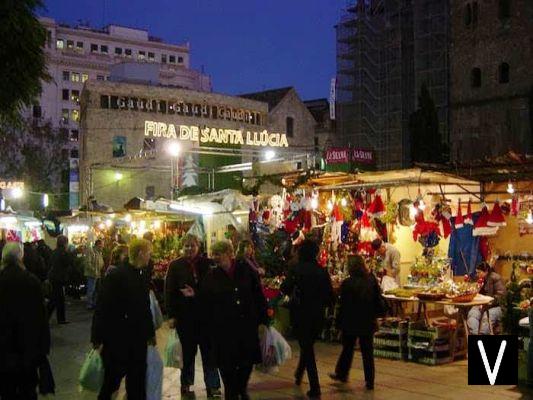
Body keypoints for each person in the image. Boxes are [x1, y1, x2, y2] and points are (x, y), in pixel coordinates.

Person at [200, 241, 268, 400]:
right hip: (224, 330)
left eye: (219, 253)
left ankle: (241, 388)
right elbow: (205, 303)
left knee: (247, 363)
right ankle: (232, 392)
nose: (216, 257)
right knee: (227, 367)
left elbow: (258, 295)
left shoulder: (246, 271)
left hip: (246, 326)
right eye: (214, 254)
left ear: (230, 253)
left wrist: (263, 320)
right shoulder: (211, 277)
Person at [91, 238, 155, 400]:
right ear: (140, 253)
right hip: (118, 340)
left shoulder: (142, 275)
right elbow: (102, 308)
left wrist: (149, 333)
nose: (150, 257)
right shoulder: (117, 275)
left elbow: (144, 307)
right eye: (148, 253)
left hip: (137, 340)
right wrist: (97, 337)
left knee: (137, 382)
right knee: (112, 382)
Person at [165, 234, 221, 398]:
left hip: (206, 317)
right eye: (186, 246)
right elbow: (169, 291)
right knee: (188, 353)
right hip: (185, 317)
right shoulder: (175, 265)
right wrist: (171, 315)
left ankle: (213, 385)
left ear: (199, 246)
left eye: (192, 246)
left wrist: (196, 293)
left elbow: (213, 289)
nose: (189, 249)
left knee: (208, 353)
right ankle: (186, 383)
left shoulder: (208, 264)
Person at [280, 239, 334, 399]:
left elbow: (285, 288)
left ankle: (315, 387)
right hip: (317, 315)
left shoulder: (296, 269)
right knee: (308, 345)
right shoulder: (322, 271)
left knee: (307, 348)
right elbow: (329, 296)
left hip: (300, 313)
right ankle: (298, 374)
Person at [0, 242, 50, 399]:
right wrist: (43, 346)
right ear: (20, 256)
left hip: (4, 347)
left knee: (6, 389)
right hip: (27, 346)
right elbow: (41, 316)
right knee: (27, 389)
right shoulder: (30, 280)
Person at [329, 255, 385, 390]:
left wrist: (338, 323)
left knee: (347, 348)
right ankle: (369, 381)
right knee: (367, 352)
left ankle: (342, 373)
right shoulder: (371, 280)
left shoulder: (347, 284)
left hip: (351, 321)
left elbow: (343, 306)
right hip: (367, 320)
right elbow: (378, 300)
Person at [467, 262, 506, 334]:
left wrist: (488, 303)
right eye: (477, 272)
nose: (477, 275)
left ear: (486, 271)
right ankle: (474, 334)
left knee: (487, 317)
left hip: (496, 306)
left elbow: (501, 296)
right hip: (482, 304)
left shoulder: (495, 278)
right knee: (472, 313)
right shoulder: (479, 279)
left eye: (479, 272)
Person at [47, 235, 73, 324]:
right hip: (58, 278)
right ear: (65, 243)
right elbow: (68, 262)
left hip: (54, 277)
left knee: (57, 299)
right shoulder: (63, 252)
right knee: (56, 299)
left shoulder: (54, 252)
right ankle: (57, 318)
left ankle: (60, 318)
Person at [84, 239, 104, 309]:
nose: (103, 246)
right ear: (98, 245)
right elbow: (88, 263)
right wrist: (94, 270)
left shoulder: (99, 252)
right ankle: (89, 304)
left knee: (96, 290)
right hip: (91, 274)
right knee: (91, 289)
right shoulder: (91, 251)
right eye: (102, 245)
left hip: (98, 274)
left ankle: (94, 303)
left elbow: (101, 262)